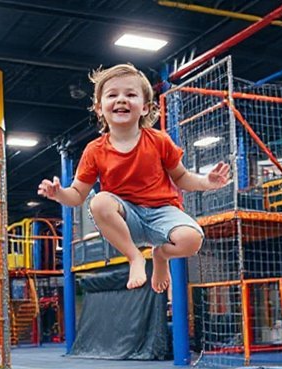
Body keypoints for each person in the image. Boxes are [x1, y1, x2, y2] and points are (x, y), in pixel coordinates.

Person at [37, 63, 230, 294]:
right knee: (99, 201)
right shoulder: (95, 150)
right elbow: (77, 195)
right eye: (112, 95)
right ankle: (134, 257)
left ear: (146, 108)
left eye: (130, 94)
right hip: (125, 218)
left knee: (192, 240)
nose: (121, 100)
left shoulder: (159, 140)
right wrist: (58, 193)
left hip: (162, 212)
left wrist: (207, 182)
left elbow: (181, 177)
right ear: (99, 109)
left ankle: (161, 255)